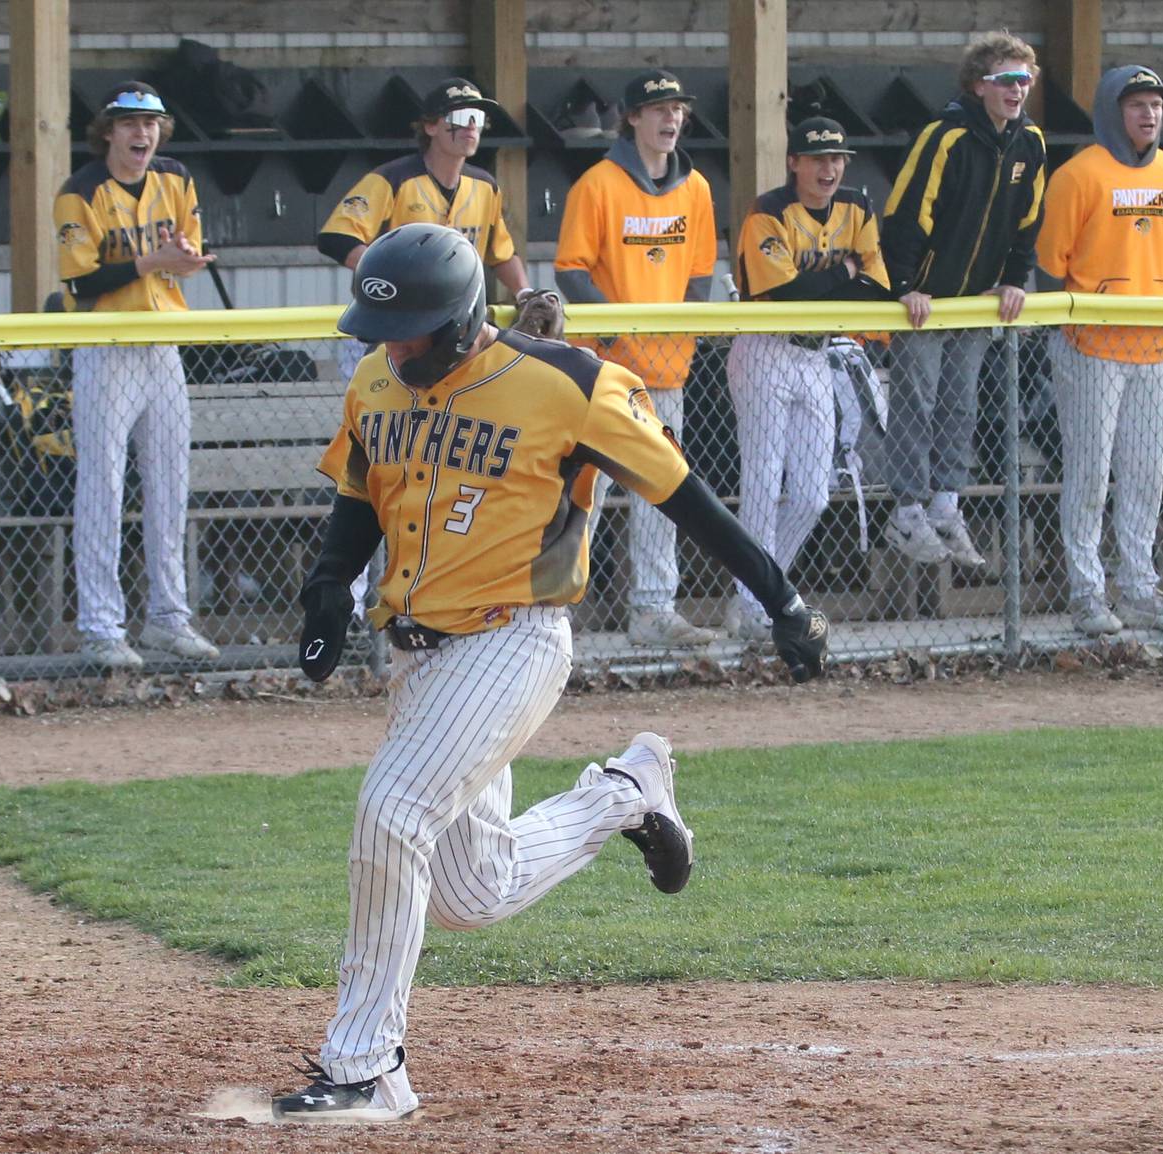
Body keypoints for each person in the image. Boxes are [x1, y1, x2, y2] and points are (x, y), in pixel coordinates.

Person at [273, 222, 829, 1122]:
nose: (387, 346)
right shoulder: (378, 378)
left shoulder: (571, 385)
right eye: (381, 330)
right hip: (418, 657)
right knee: (469, 893)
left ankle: (365, 1068)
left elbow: (689, 500)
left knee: (392, 812)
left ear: (459, 323)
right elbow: (358, 491)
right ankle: (626, 794)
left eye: (408, 328)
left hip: (514, 641)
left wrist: (783, 603)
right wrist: (328, 584)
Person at [317, 76, 537, 630]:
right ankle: (353, 603)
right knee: (374, 482)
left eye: (478, 120)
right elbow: (337, 236)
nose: (470, 129)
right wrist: (397, 283)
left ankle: (427, 600)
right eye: (460, 118)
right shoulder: (393, 180)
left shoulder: (483, 185)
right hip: (389, 346)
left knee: (438, 476)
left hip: (457, 354)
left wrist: (528, 293)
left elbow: (501, 251)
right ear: (432, 126)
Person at [53, 82, 221, 669]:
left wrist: (188, 260)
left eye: (149, 124)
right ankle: (102, 626)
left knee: (170, 487)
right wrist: (154, 260)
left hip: (163, 345)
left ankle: (169, 618)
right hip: (106, 345)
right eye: (128, 124)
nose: (141, 134)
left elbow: (189, 255)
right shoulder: (80, 191)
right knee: (102, 487)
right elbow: (79, 283)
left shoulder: (174, 177)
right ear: (108, 131)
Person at [554, 68, 719, 648]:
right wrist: (621, 333)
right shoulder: (597, 184)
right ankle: (558, 608)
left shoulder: (695, 188)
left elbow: (700, 273)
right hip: (599, 373)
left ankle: (653, 610)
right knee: (583, 494)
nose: (671, 119)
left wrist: (676, 335)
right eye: (659, 110)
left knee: (662, 491)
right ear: (632, 117)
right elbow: (570, 271)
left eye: (678, 109)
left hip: (665, 373)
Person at [1036, 66, 1163, 636]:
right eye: (1136, 104)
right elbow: (1049, 267)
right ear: (1112, 109)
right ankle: (1087, 593)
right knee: (1089, 472)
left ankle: (1139, 590)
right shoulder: (1077, 175)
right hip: (1089, 349)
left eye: (1155, 104)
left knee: (1144, 473)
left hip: (1152, 347)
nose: (1149, 114)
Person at [879, 32, 1047, 569]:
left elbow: (1028, 222)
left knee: (961, 405)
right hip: (925, 301)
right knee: (917, 402)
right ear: (979, 86)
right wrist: (905, 285)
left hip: (975, 302)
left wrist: (1015, 278)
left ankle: (947, 505)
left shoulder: (1031, 144)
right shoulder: (945, 136)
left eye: (1025, 79)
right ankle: (906, 510)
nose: (1017, 89)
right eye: (1006, 80)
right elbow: (907, 213)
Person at [726, 116, 891, 640]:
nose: (830, 168)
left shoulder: (858, 206)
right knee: (761, 483)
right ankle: (752, 605)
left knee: (814, 495)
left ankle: (762, 589)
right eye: (818, 159)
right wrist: (843, 272)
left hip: (817, 353)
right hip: (765, 350)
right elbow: (788, 295)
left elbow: (876, 288)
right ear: (794, 162)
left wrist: (835, 283)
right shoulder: (769, 211)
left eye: (838, 158)